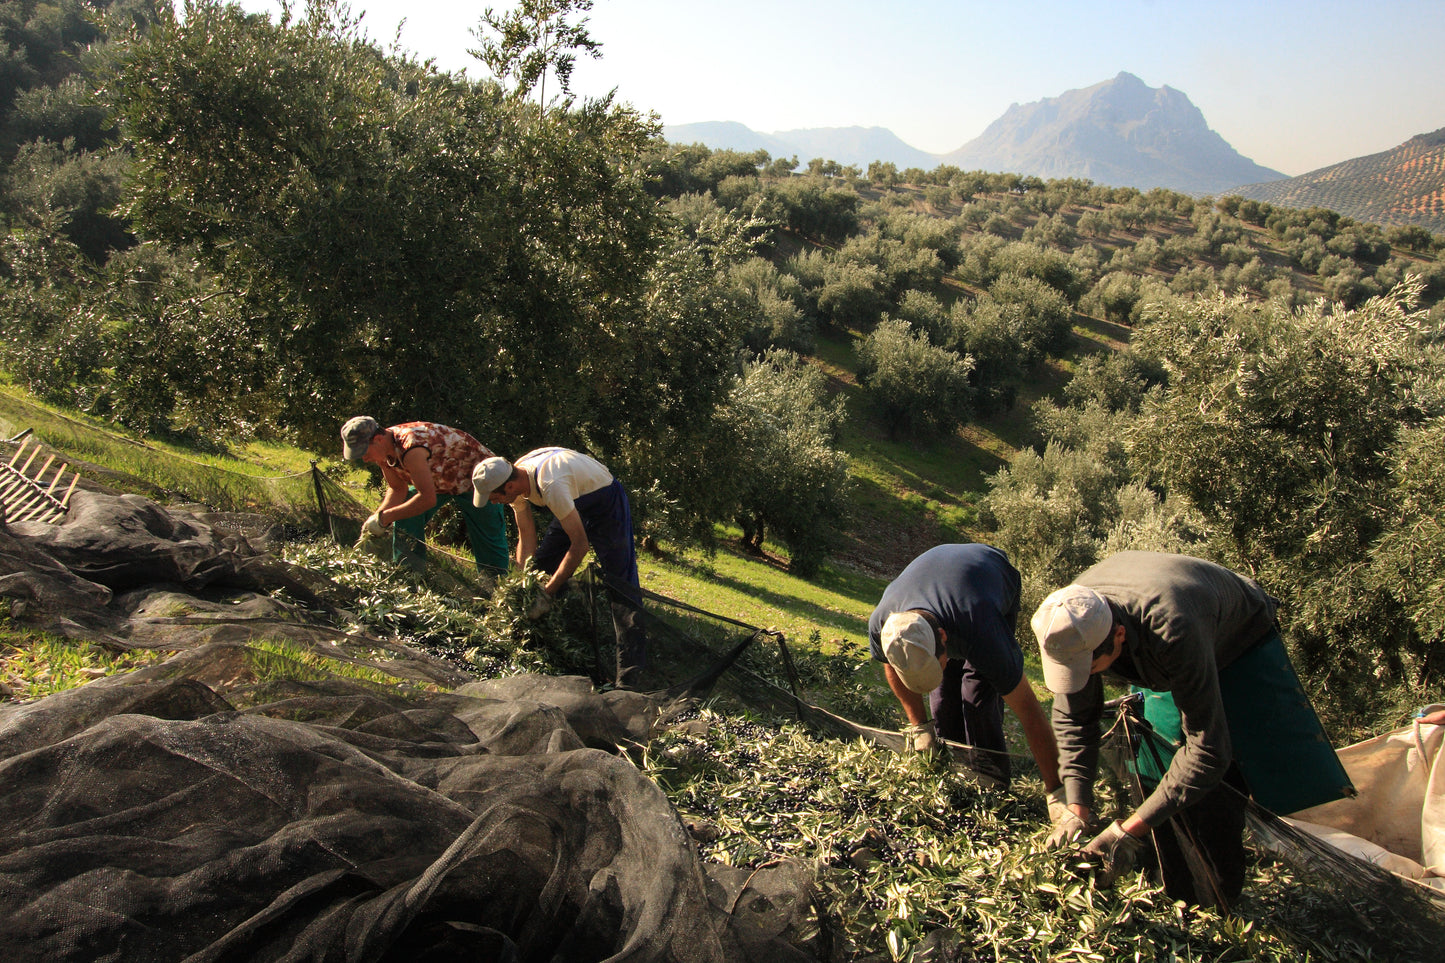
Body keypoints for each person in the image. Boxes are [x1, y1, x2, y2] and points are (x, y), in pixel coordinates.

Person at [1032, 551, 1350, 906]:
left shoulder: (1173, 630)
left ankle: (1213, 904)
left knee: (1216, 789)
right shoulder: (1070, 618)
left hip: (1238, 644)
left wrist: (1127, 833)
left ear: (1118, 636)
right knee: (1157, 764)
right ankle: (1163, 882)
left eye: (1091, 668)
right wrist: (1077, 808)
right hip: (1162, 636)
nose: (1085, 677)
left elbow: (1208, 751)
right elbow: (1074, 718)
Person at [869, 544, 1062, 800]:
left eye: (937, 662)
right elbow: (891, 664)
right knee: (943, 703)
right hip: (941, 584)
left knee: (978, 697)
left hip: (989, 573)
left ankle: (992, 783)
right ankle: (956, 773)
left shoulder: (982, 628)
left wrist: (1057, 791)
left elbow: (1029, 711)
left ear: (943, 636)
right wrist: (920, 726)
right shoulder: (884, 625)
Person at [472, 447, 645, 684]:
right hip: (574, 499)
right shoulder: (515, 475)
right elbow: (526, 534)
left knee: (621, 586)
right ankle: (562, 634)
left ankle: (631, 676)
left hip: (605, 500)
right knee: (543, 565)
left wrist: (547, 592)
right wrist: (525, 583)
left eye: (494, 497)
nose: (494, 502)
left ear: (508, 487)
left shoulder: (550, 485)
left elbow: (580, 545)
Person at [340, 417, 508, 573]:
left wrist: (385, 518)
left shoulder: (411, 447)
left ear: (378, 439)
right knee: (405, 512)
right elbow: (398, 490)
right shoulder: (384, 451)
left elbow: (427, 499)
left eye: (364, 451)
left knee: (489, 540)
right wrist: (376, 519)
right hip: (439, 481)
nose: (364, 458)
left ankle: (497, 588)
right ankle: (409, 573)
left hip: (476, 479)